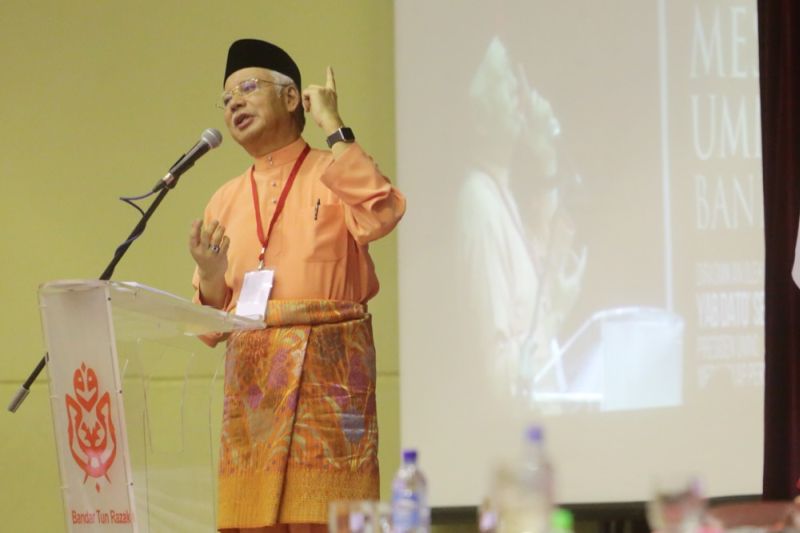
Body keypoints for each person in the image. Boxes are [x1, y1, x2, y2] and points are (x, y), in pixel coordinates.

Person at [188, 39, 406, 533]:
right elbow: (211, 325)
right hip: (254, 407)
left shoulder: (335, 171)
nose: (234, 104)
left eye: (247, 88)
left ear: (291, 99)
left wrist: (334, 125)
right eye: (226, 100)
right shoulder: (223, 200)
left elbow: (382, 212)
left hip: (327, 402)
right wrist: (210, 274)